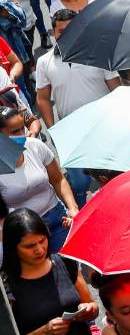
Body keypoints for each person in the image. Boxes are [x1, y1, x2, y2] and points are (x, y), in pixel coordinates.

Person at [0, 105, 74, 250]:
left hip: (58, 219)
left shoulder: (35, 146)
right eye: (15, 131)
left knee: (72, 268)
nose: (22, 134)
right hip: (25, 232)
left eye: (23, 128)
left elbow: (58, 180)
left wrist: (72, 208)